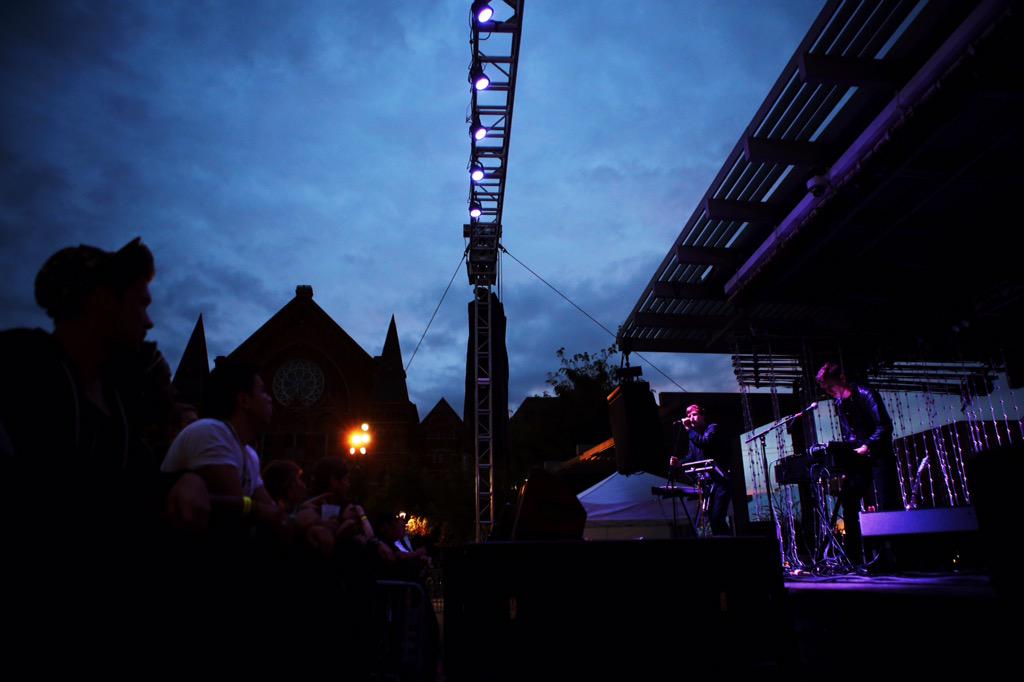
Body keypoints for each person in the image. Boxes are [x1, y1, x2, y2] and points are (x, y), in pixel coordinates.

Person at [161, 357, 279, 527]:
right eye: (262, 391)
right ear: (244, 400)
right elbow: (237, 513)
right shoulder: (211, 432)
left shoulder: (249, 454)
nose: (270, 398)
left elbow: (271, 512)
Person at [816, 362, 900, 569]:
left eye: (830, 386)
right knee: (849, 499)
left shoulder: (867, 394)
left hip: (879, 455)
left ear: (842, 379)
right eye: (825, 389)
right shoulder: (840, 404)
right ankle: (853, 555)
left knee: (885, 502)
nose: (829, 392)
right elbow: (849, 434)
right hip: (860, 458)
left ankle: (890, 555)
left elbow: (884, 426)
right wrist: (848, 458)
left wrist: (867, 445)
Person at [669, 403, 732, 535]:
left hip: (720, 481)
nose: (691, 418)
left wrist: (689, 429)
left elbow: (705, 443)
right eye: (689, 415)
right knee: (713, 519)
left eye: (694, 414)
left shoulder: (712, 428)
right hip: (708, 484)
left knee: (717, 517)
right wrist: (679, 463)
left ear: (703, 416)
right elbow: (692, 457)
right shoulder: (694, 436)